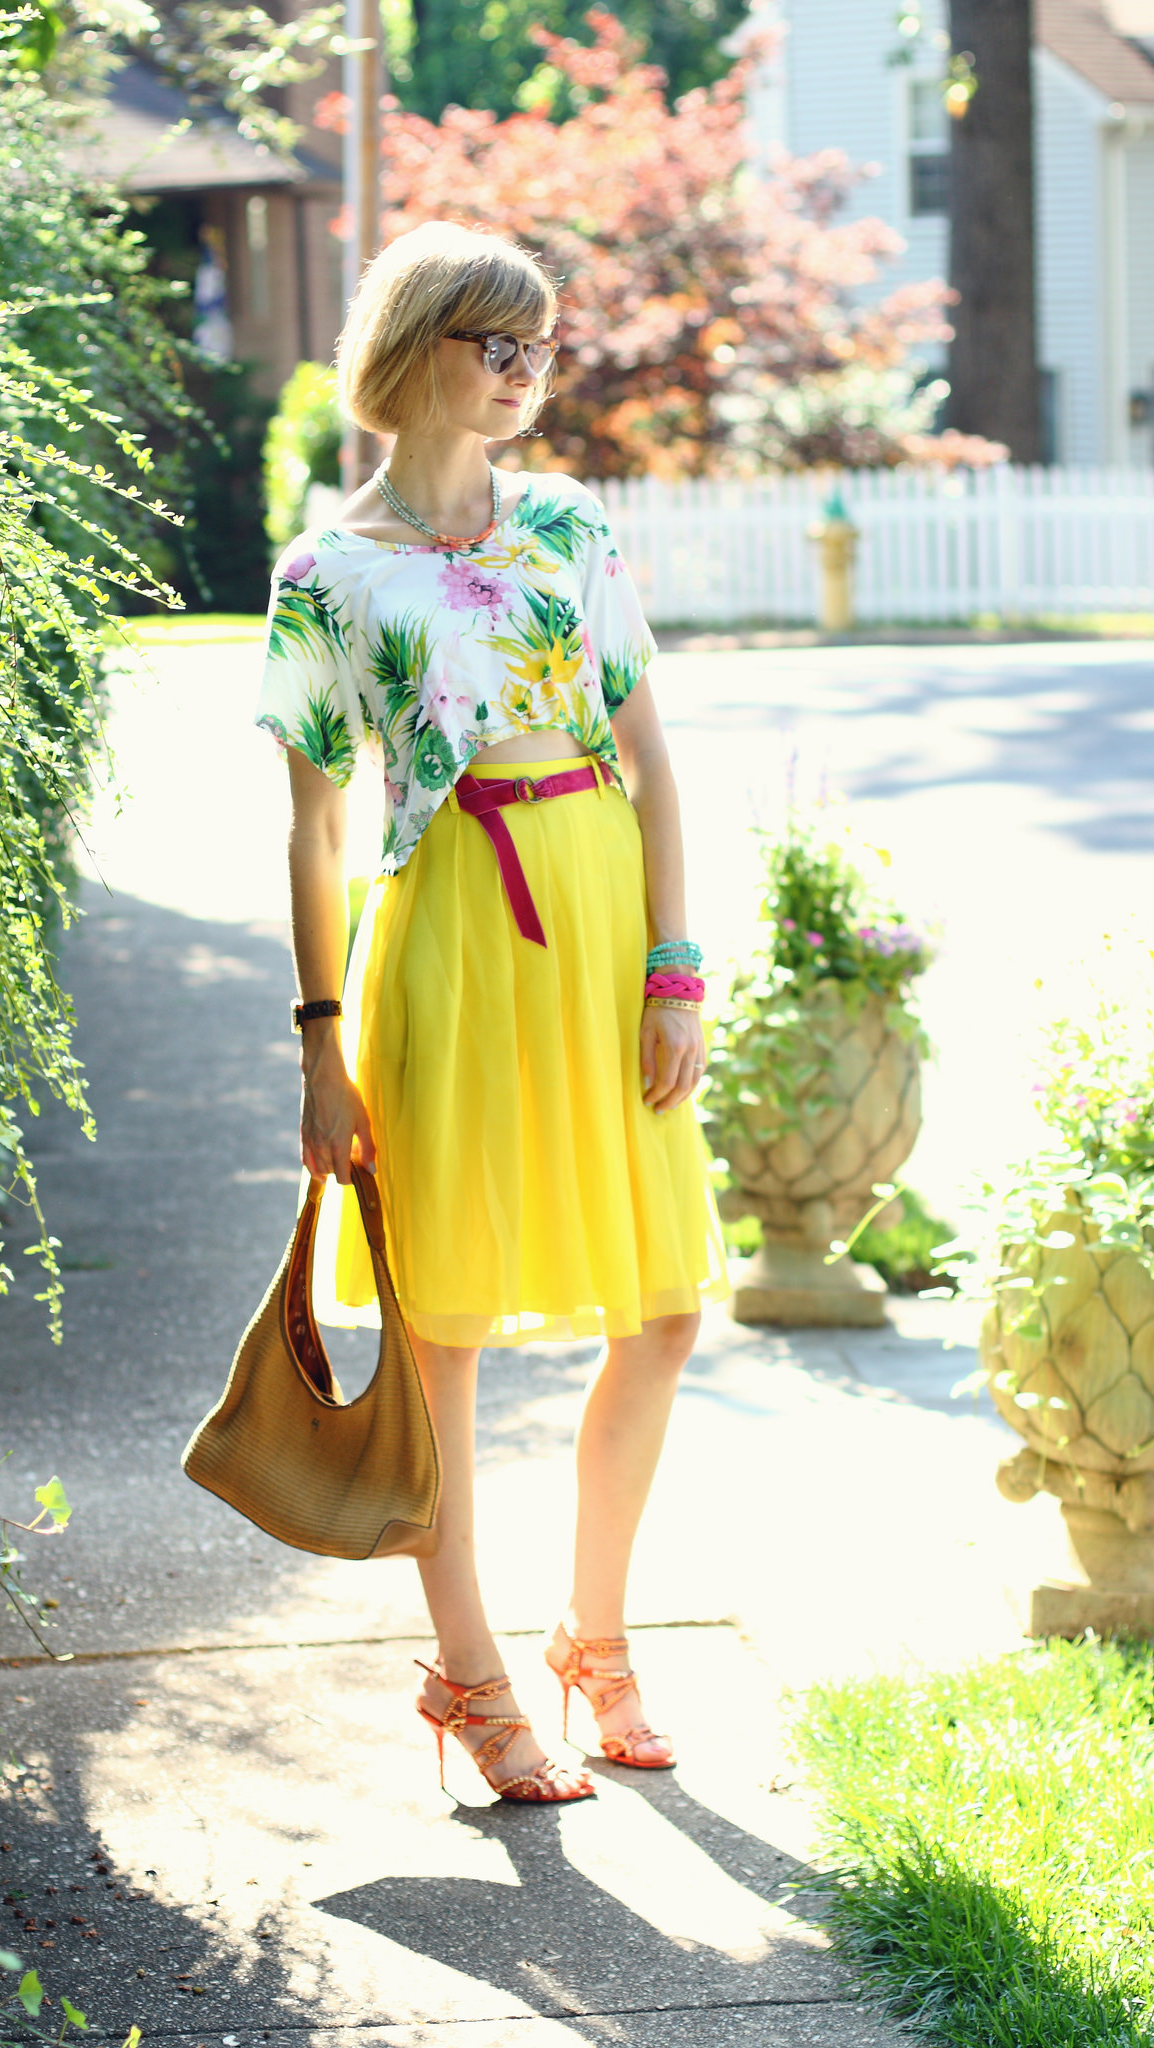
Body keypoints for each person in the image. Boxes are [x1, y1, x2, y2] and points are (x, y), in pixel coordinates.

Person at [256, 221, 728, 1803]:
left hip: (599, 928)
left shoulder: (569, 528)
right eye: (495, 344)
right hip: (448, 935)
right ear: (416, 352)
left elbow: (655, 762)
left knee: (663, 1308)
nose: (526, 372)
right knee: (440, 1327)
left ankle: (596, 1641)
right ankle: (468, 1674)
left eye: (540, 347)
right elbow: (316, 826)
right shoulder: (327, 573)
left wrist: (675, 966)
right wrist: (321, 1047)